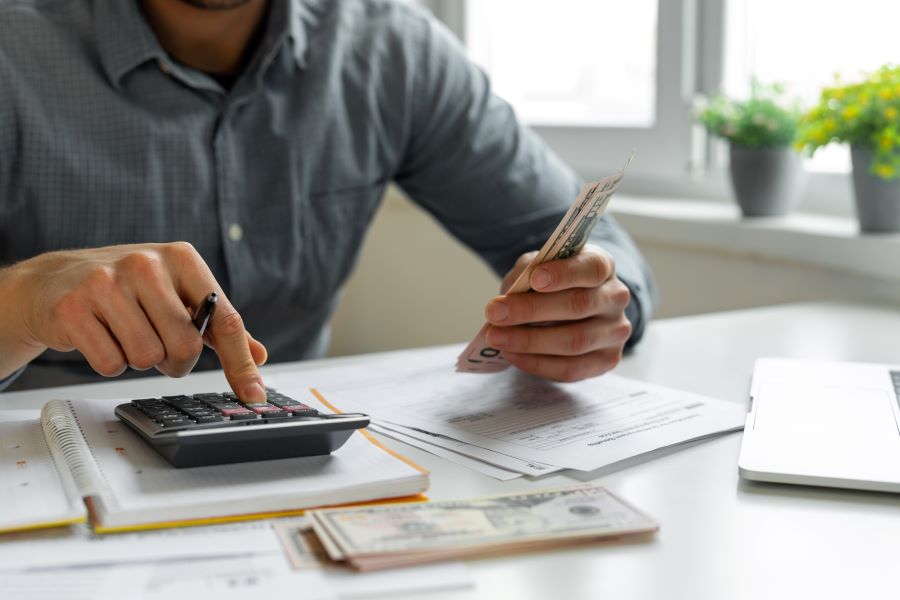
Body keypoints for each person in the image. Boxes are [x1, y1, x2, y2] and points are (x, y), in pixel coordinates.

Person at [0, 0, 658, 399]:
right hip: (38, 464)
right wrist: (22, 301)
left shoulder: (391, 49)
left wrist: (588, 301)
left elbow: (598, 246)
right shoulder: (14, 49)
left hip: (296, 472)